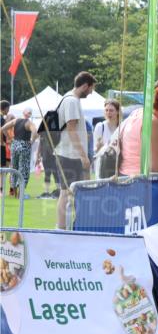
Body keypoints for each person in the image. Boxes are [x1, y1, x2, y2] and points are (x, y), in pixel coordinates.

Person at [53, 72, 97, 229]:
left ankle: (66, 227)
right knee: (65, 193)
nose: (91, 92)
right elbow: (72, 130)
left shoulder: (69, 98)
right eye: (91, 88)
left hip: (67, 153)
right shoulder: (71, 100)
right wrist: (83, 156)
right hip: (69, 154)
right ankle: (61, 229)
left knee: (69, 193)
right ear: (85, 85)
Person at [1, 109, 36, 197]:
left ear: (23, 113)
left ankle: (14, 192)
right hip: (24, 145)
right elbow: (35, 131)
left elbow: (2, 128)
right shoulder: (29, 123)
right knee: (23, 169)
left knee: (14, 168)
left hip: (15, 145)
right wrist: (32, 140)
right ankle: (20, 194)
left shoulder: (16, 120)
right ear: (29, 115)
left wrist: (9, 137)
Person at [93, 99, 121, 178]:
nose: (108, 113)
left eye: (111, 110)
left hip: (117, 165)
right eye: (106, 110)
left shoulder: (121, 127)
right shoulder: (100, 127)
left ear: (117, 112)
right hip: (102, 165)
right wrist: (98, 147)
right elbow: (95, 150)